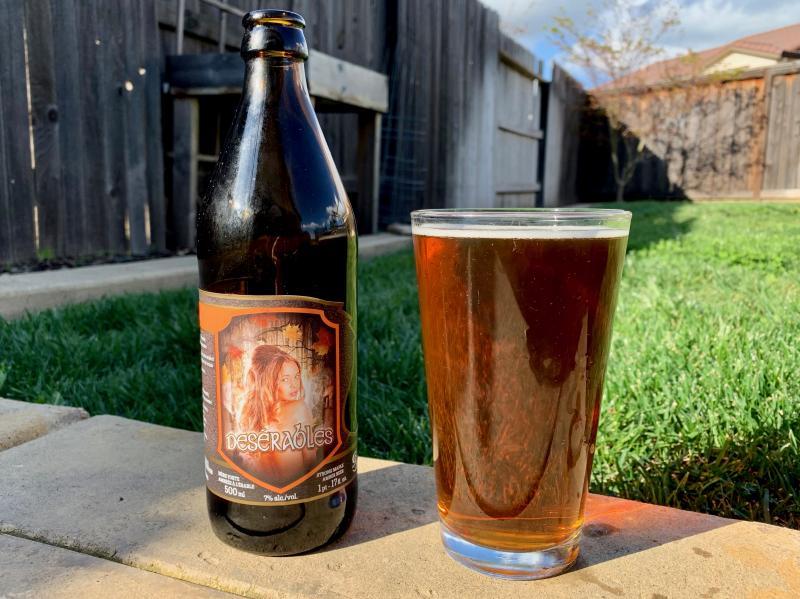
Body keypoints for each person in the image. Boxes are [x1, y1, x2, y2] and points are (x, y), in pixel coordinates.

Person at [236, 344, 319, 485]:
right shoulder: (298, 408)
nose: (294, 384)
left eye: (296, 376)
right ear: (268, 383)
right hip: (298, 490)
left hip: (260, 490)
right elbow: (311, 464)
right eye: (285, 379)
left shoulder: (251, 416)